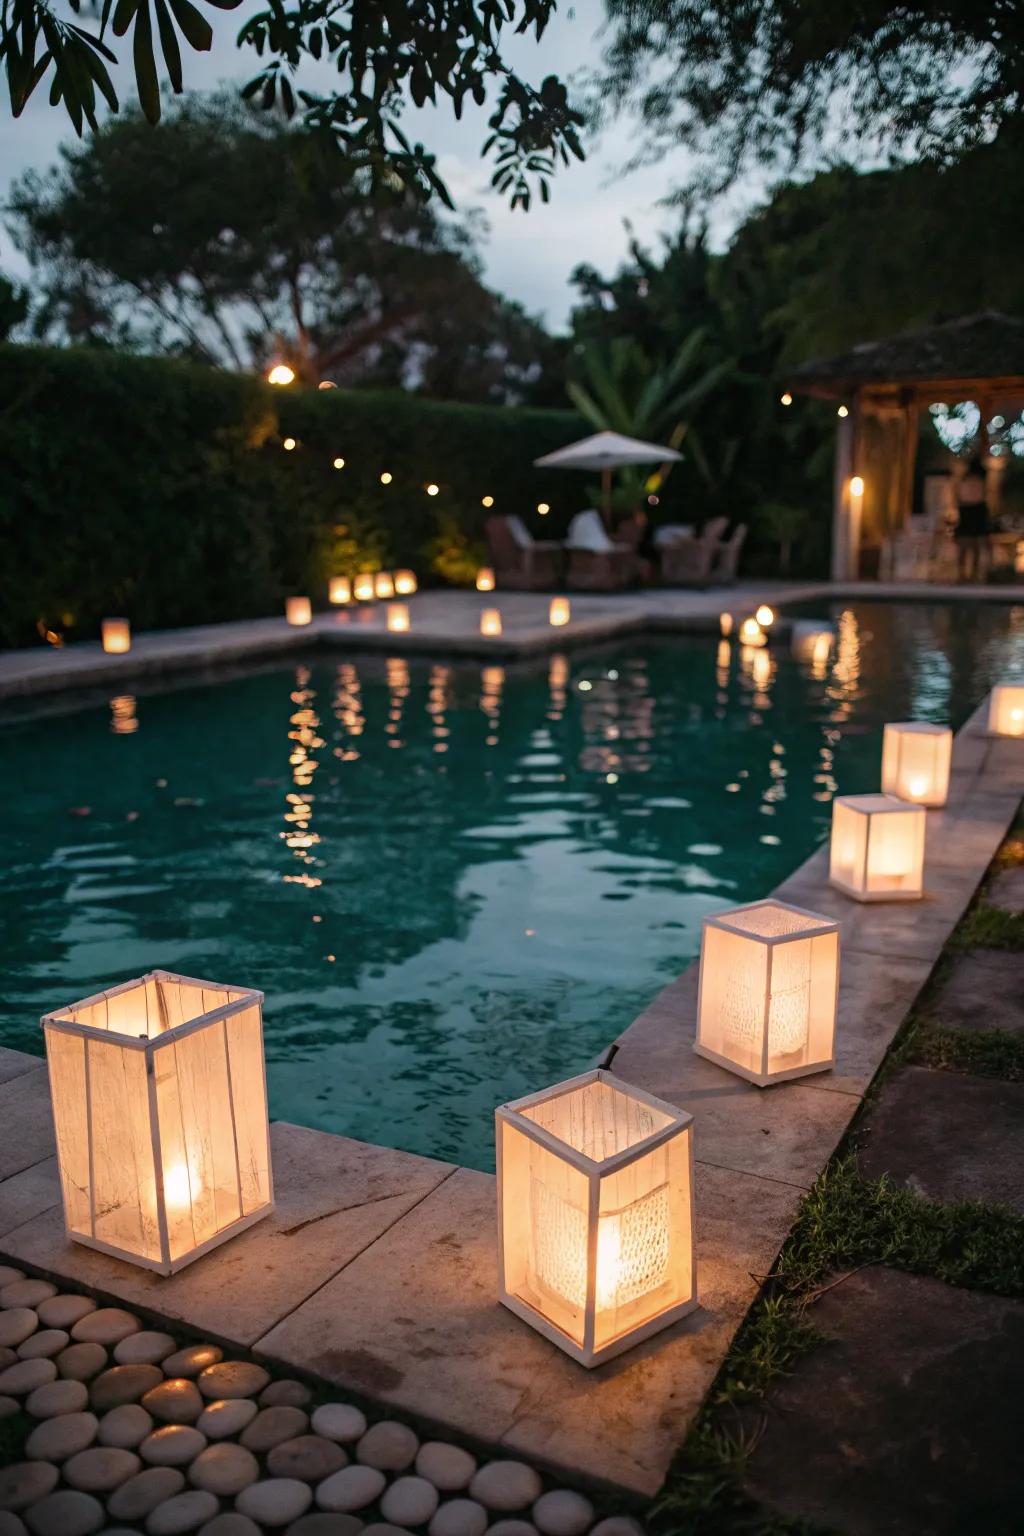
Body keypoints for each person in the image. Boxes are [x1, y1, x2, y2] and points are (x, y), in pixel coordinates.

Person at [954, 456, 990, 582]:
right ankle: (966, 573)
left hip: (970, 510)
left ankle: (965, 573)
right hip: (972, 510)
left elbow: (961, 498)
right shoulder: (977, 482)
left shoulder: (967, 481)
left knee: (969, 545)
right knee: (972, 545)